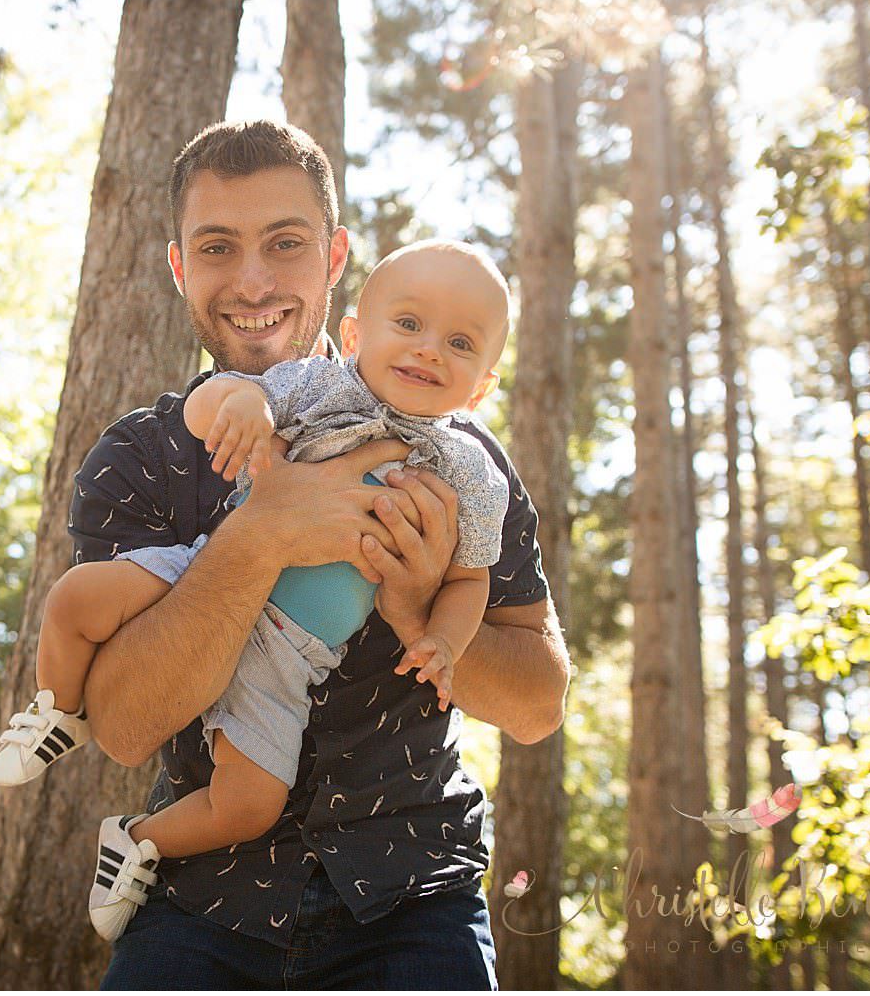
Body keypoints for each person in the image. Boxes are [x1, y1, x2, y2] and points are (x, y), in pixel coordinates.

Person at [47, 119, 567, 988]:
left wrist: (416, 610)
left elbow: (538, 704)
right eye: (217, 246)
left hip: (415, 901)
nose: (253, 281)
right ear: (179, 267)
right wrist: (260, 535)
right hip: (199, 905)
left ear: (334, 257)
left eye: (284, 243)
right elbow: (126, 726)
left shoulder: (465, 463)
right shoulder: (142, 456)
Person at [0, 241, 517, 947]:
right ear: (354, 335)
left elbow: (471, 579)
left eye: (459, 343)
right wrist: (244, 408)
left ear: (480, 388)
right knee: (76, 599)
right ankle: (59, 708)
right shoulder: (321, 386)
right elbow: (214, 400)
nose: (429, 349)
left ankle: (139, 839)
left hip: (290, 656)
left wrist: (440, 636)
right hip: (206, 576)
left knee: (247, 805)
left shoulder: (472, 473)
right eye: (410, 324)